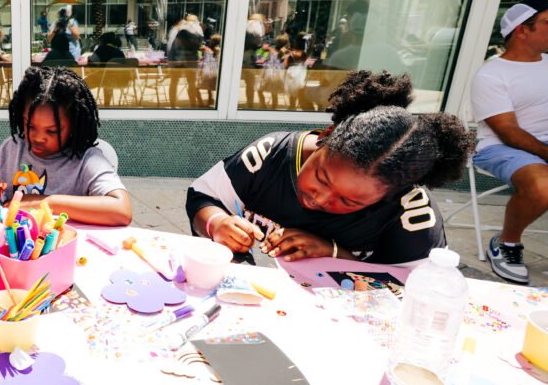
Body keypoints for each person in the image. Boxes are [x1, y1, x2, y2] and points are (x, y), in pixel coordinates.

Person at [187, 70, 474, 266]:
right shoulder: (271, 154)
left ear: (393, 194)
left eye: (349, 201)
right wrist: (217, 223)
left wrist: (334, 253)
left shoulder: (413, 213)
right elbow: (204, 195)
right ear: (325, 137)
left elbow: (414, 290)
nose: (320, 198)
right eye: (321, 177)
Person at [0, 66, 132, 226]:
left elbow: (122, 210)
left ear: (73, 126)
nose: (38, 138)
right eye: (30, 126)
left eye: (52, 131)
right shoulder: (12, 148)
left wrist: (46, 203)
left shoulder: (86, 160)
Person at [470, 0, 548, 284]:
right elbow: (508, 131)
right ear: (521, 30)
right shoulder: (491, 75)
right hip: (501, 147)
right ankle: (507, 242)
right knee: (542, 186)